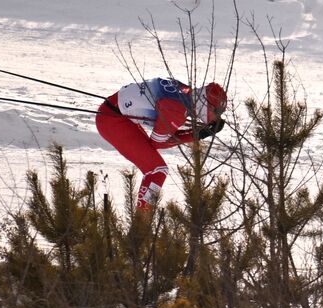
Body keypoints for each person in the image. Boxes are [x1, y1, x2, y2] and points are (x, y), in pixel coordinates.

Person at [96, 78, 228, 212]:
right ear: (206, 105)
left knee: (156, 168)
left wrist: (197, 132)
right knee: (157, 170)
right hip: (112, 120)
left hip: (115, 111)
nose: (217, 118)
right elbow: (157, 143)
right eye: (217, 112)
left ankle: (143, 219)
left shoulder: (185, 92)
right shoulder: (177, 109)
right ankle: (142, 224)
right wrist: (198, 134)